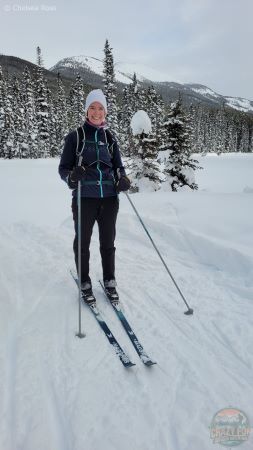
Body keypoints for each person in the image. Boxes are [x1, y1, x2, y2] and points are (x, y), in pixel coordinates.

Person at [59, 89, 130, 305]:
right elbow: (63, 169)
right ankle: (85, 281)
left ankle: (109, 280)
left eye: (101, 108)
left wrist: (123, 179)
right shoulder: (76, 137)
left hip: (109, 198)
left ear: (105, 112)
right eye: (93, 107)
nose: (97, 112)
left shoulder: (109, 138)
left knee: (108, 242)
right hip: (85, 198)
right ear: (86, 110)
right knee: (83, 242)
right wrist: (73, 176)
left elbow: (118, 166)